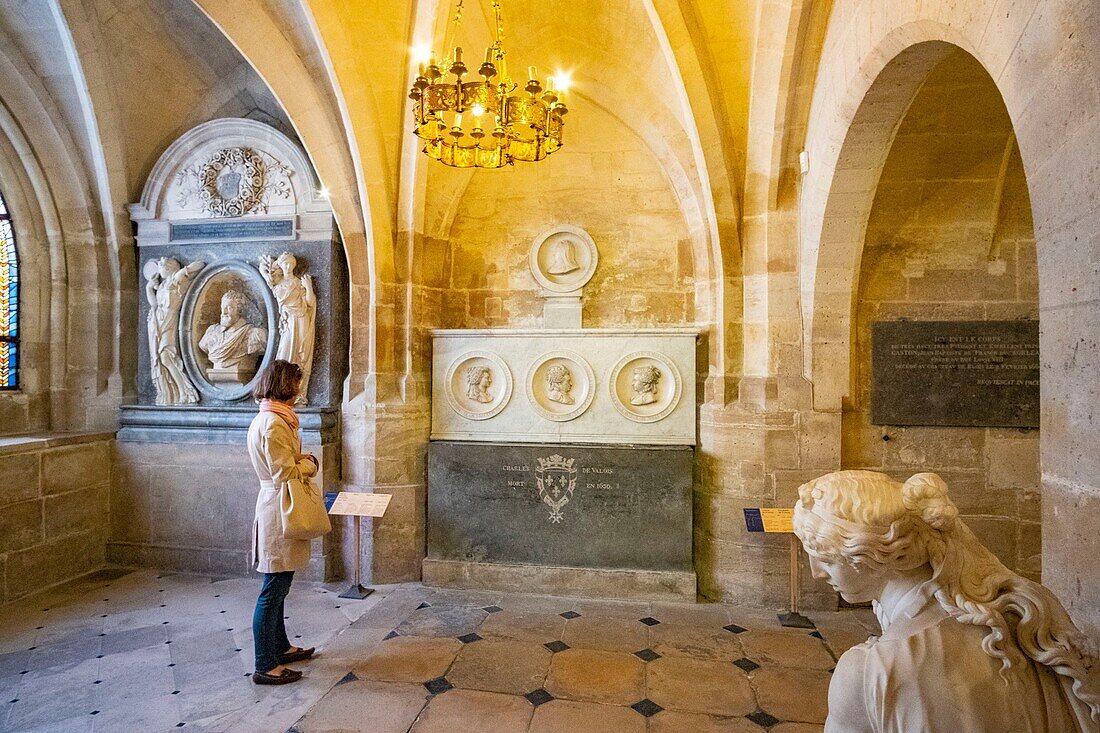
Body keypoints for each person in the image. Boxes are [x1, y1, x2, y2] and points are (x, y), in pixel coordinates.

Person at [793, 470, 1100, 732]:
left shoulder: (868, 673)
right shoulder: (1021, 616)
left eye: (826, 559)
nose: (816, 573)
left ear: (877, 554)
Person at [247, 360, 321, 685]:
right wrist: (311, 464)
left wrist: (299, 461)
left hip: (277, 504)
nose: (299, 390)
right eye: (295, 384)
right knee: (273, 589)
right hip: (278, 508)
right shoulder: (274, 424)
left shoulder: (274, 419)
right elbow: (285, 472)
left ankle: (281, 648)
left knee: (280, 585)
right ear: (285, 386)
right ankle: (265, 664)